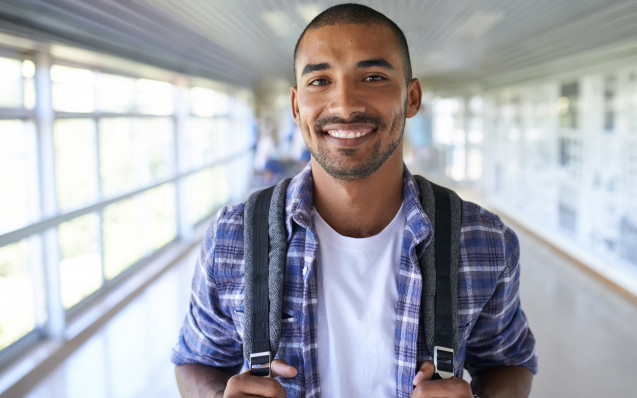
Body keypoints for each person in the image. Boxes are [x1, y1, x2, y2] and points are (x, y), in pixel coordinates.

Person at [172, 4, 537, 398]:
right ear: (297, 107)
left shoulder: (482, 240)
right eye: (319, 81)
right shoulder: (233, 237)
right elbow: (197, 361)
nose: (345, 106)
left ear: (411, 98)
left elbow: (509, 362)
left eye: (374, 77)